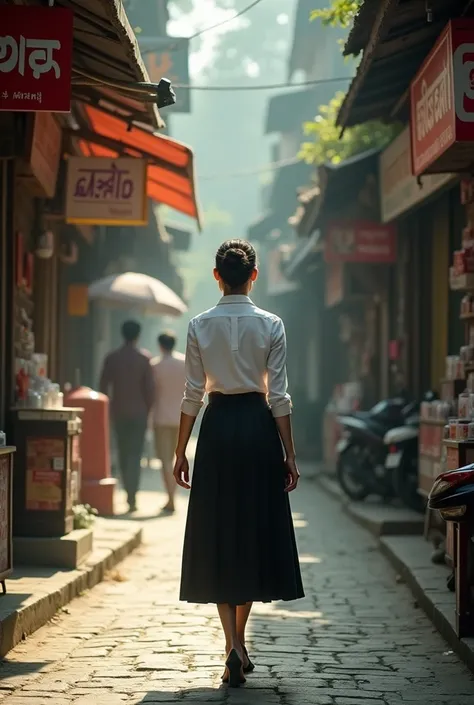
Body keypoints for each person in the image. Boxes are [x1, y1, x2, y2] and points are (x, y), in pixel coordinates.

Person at [173, 239, 304, 688]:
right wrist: (289, 453)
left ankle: (229, 642)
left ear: (216, 275)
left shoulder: (199, 325)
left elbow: (192, 392)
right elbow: (280, 396)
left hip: (216, 429)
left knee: (219, 531)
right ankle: (240, 643)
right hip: (257, 428)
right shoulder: (272, 324)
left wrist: (179, 450)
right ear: (254, 274)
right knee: (250, 531)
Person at [99, 320, 155, 513]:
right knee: (136, 454)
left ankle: (127, 491)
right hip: (139, 413)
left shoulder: (112, 358)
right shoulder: (144, 358)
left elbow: (103, 386)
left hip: (119, 411)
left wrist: (108, 408)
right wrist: (147, 410)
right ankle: (132, 496)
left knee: (123, 452)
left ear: (122, 334)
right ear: (138, 335)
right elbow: (150, 391)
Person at [151, 331, 186, 514]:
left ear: (160, 345)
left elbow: (151, 394)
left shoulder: (155, 366)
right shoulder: (184, 364)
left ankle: (171, 497)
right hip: (182, 417)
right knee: (177, 457)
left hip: (161, 418)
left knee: (165, 459)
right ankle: (173, 496)